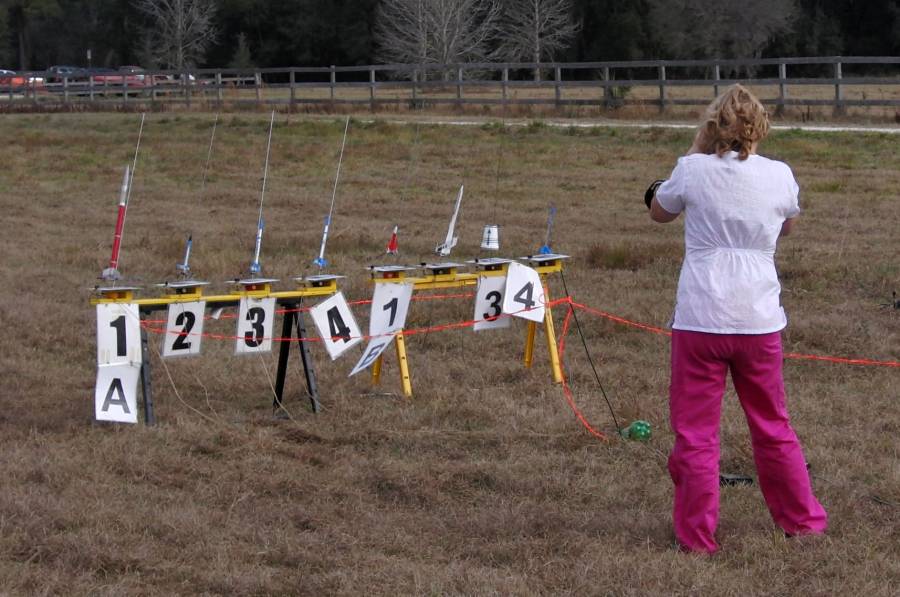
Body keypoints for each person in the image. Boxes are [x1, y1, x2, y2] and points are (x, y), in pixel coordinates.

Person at [645, 84, 827, 554]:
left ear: (713, 127)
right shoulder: (780, 174)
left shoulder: (692, 168)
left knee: (696, 433)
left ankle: (697, 536)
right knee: (772, 424)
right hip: (758, 319)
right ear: (760, 128)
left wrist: (695, 149)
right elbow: (786, 225)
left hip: (701, 317)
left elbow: (659, 211)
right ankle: (802, 521)